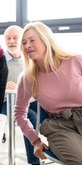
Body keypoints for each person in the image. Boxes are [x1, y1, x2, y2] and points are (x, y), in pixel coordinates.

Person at [14, 21, 82, 165]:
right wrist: (35, 140)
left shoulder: (76, 60)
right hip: (60, 126)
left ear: (46, 40)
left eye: (32, 40)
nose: (27, 46)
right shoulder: (28, 78)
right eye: (24, 43)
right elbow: (19, 113)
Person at [2, 25, 40, 165]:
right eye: (8, 38)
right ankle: (34, 162)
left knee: (50, 111)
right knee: (31, 117)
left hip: (29, 100)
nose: (11, 41)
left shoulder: (29, 59)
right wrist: (2, 85)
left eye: (15, 38)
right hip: (7, 102)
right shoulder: (0, 60)